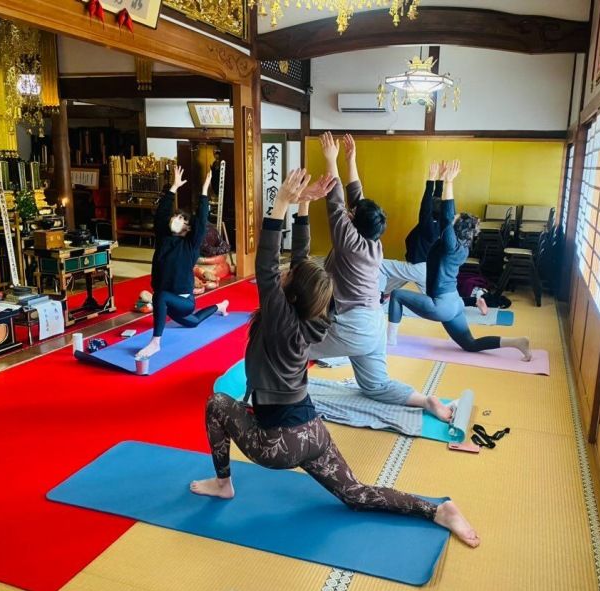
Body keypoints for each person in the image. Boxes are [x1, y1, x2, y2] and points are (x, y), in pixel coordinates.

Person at [190, 168, 480, 549]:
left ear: (290, 294)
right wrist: (303, 208)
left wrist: (280, 203)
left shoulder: (281, 320)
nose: (283, 274)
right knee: (355, 492)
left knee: (215, 403)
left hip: (277, 442)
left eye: (287, 277)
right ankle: (435, 510)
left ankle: (224, 483)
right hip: (312, 432)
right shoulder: (312, 317)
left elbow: (264, 265)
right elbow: (299, 263)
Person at [305, 132, 452, 421]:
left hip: (352, 326)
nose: (348, 211)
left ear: (353, 221)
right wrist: (351, 160)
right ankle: (425, 401)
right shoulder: (373, 239)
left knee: (290, 345)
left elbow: (335, 202)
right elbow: (355, 199)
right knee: (376, 386)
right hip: (374, 324)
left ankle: (279, 395)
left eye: (351, 213)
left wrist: (330, 159)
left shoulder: (348, 242)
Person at [387, 160, 532, 361]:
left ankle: (390, 342)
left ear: (456, 229)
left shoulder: (450, 244)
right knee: (470, 344)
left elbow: (446, 216)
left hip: (442, 305)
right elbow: (443, 215)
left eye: (455, 219)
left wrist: (449, 183)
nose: (452, 217)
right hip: (454, 303)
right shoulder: (463, 247)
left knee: (396, 294)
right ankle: (517, 342)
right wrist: (439, 182)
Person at [136, 166, 229, 359]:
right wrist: (173, 188)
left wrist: (204, 192)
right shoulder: (163, 238)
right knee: (193, 322)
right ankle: (220, 307)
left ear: (187, 227)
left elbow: (201, 222)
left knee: (160, 297)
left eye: (181, 218)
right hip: (170, 302)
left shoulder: (190, 245)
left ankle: (155, 342)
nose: (176, 219)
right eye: (175, 216)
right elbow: (161, 215)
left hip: (183, 301)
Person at [378, 161, 488, 315]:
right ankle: (474, 301)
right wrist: (441, 179)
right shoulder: (448, 233)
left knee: (378, 263)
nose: (453, 216)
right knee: (438, 298)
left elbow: (426, 206)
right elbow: (436, 203)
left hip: (417, 268)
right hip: (427, 270)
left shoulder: (428, 225)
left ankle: (375, 297)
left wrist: (431, 179)